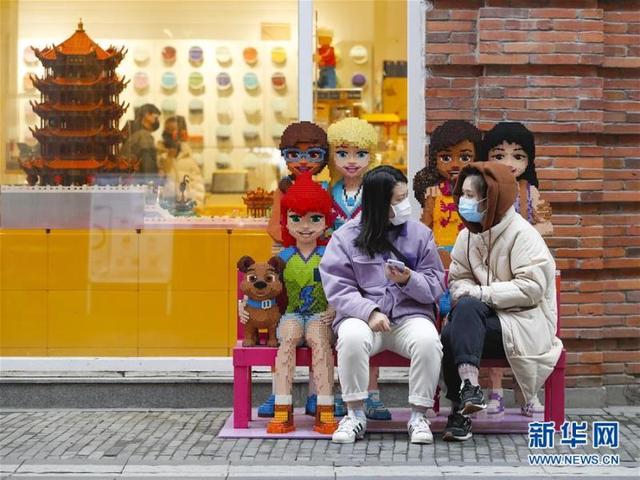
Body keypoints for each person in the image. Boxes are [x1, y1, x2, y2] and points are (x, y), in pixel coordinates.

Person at [320, 166, 445, 444]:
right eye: (398, 200)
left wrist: (408, 279)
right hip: (363, 319)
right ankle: (354, 414)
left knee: (428, 340)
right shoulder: (345, 237)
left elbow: (436, 284)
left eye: (404, 197)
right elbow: (337, 287)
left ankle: (419, 416)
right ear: (378, 204)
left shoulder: (420, 234)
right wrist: (370, 311)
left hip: (409, 317)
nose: (404, 205)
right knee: (351, 337)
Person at [441, 162, 563, 442]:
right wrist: (471, 293)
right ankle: (469, 392)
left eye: (470, 195)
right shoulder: (467, 236)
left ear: (491, 198)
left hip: (524, 323)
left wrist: (482, 293)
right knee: (453, 327)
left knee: (457, 324)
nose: (463, 202)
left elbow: (531, 289)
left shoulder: (523, 235)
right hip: (480, 324)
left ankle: (460, 411)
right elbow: (458, 279)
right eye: (462, 194)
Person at [479, 121, 554, 417]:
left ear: (528, 160)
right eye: (499, 156)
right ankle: (495, 392)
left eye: (518, 156)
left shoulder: (529, 193)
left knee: (528, 333)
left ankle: (527, 392)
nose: (509, 163)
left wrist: (524, 233)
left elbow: (547, 225)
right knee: (495, 332)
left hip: (525, 270)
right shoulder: (483, 191)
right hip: (493, 268)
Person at [327, 117, 390, 421]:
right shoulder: (329, 192)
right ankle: (344, 392)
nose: (351, 161)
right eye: (343, 153)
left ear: (371, 156)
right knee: (341, 335)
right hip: (337, 270)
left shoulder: (375, 192)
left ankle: (372, 393)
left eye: (360, 154)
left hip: (369, 269)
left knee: (372, 328)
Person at [266, 172, 338, 435]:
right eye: (297, 218)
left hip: (320, 315)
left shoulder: (329, 255)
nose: (305, 226)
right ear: (286, 221)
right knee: (287, 340)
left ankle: (325, 408)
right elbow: (265, 287)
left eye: (314, 219)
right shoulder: (283, 257)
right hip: (292, 314)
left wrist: (333, 308)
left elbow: (341, 285)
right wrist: (248, 306)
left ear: (326, 222)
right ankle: (282, 409)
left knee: (319, 341)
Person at [412, 120, 482, 316]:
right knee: (442, 299)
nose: (454, 164)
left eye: (465, 157)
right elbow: (425, 226)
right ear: (435, 159)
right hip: (440, 254)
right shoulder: (434, 193)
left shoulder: (479, 191)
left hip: (470, 253)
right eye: (446, 157)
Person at [156, 116, 205, 206]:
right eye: (167, 130)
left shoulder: (188, 157)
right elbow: (156, 183)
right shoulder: (158, 156)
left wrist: (196, 204)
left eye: (173, 130)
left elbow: (198, 184)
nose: (169, 133)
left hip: (186, 209)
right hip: (167, 209)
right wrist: (168, 159)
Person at [122, 103, 161, 178]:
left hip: (131, 175)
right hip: (138, 176)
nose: (157, 120)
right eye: (156, 117)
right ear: (147, 115)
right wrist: (153, 179)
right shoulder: (144, 135)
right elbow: (148, 163)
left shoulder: (133, 130)